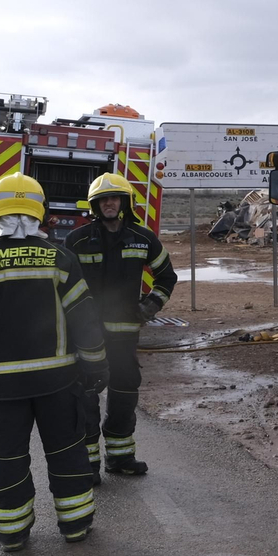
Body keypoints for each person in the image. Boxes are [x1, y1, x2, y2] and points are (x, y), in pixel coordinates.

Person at [0, 173, 108, 551]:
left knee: (7, 459)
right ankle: (76, 524)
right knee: (67, 453)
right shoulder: (61, 259)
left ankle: (12, 532)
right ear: (40, 212)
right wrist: (96, 364)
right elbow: (85, 319)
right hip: (57, 382)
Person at [64, 173, 177, 479]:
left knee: (125, 393)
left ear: (124, 202)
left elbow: (167, 276)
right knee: (86, 396)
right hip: (87, 334)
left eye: (114, 198)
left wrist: (151, 305)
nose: (109, 204)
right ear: (94, 205)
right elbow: (60, 283)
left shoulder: (143, 238)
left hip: (125, 334)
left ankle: (121, 457)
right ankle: (87, 465)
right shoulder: (76, 241)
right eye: (103, 200)